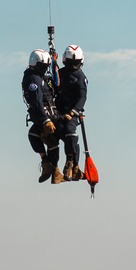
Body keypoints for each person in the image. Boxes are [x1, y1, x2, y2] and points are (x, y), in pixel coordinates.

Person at [22, 48, 62, 184]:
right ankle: (52, 167)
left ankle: (51, 166)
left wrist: (54, 63)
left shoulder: (39, 77)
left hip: (48, 116)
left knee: (37, 136)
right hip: (47, 116)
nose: (44, 69)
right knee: (43, 138)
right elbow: (36, 100)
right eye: (42, 66)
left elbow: (54, 86)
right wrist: (45, 120)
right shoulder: (34, 78)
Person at [55, 43, 88, 181]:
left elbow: (82, 97)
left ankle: (71, 163)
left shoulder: (81, 77)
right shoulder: (59, 74)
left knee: (70, 132)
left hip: (72, 113)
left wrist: (73, 112)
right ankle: (54, 167)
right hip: (58, 111)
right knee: (58, 133)